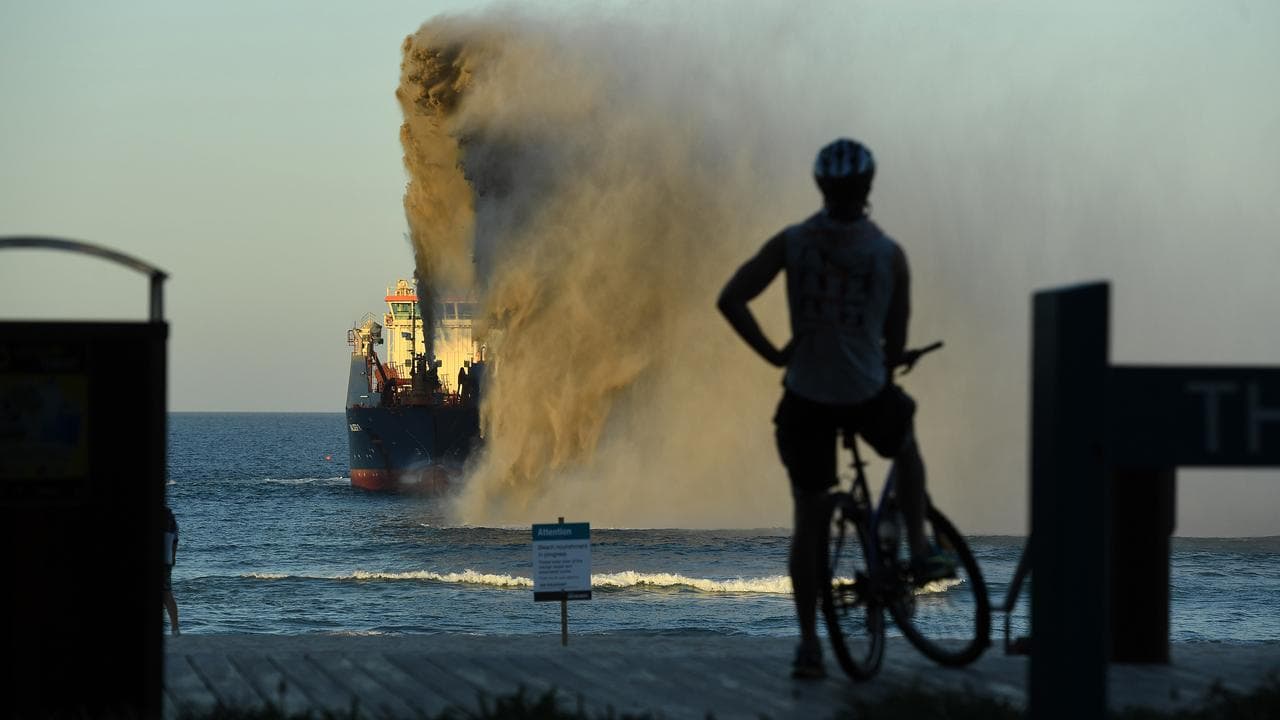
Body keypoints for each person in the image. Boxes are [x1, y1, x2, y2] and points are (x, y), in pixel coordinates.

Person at [717, 138, 950, 679]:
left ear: (821, 186)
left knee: (809, 520)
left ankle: (808, 645)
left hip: (805, 399)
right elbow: (893, 346)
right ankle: (919, 546)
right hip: (866, 393)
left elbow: (730, 298)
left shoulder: (793, 243)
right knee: (906, 443)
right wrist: (891, 357)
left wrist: (775, 352)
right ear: (867, 188)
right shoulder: (889, 255)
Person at [163, 505, 180, 636]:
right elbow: (175, 543)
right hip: (166, 561)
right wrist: (173, 559)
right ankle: (175, 629)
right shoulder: (172, 520)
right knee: (168, 595)